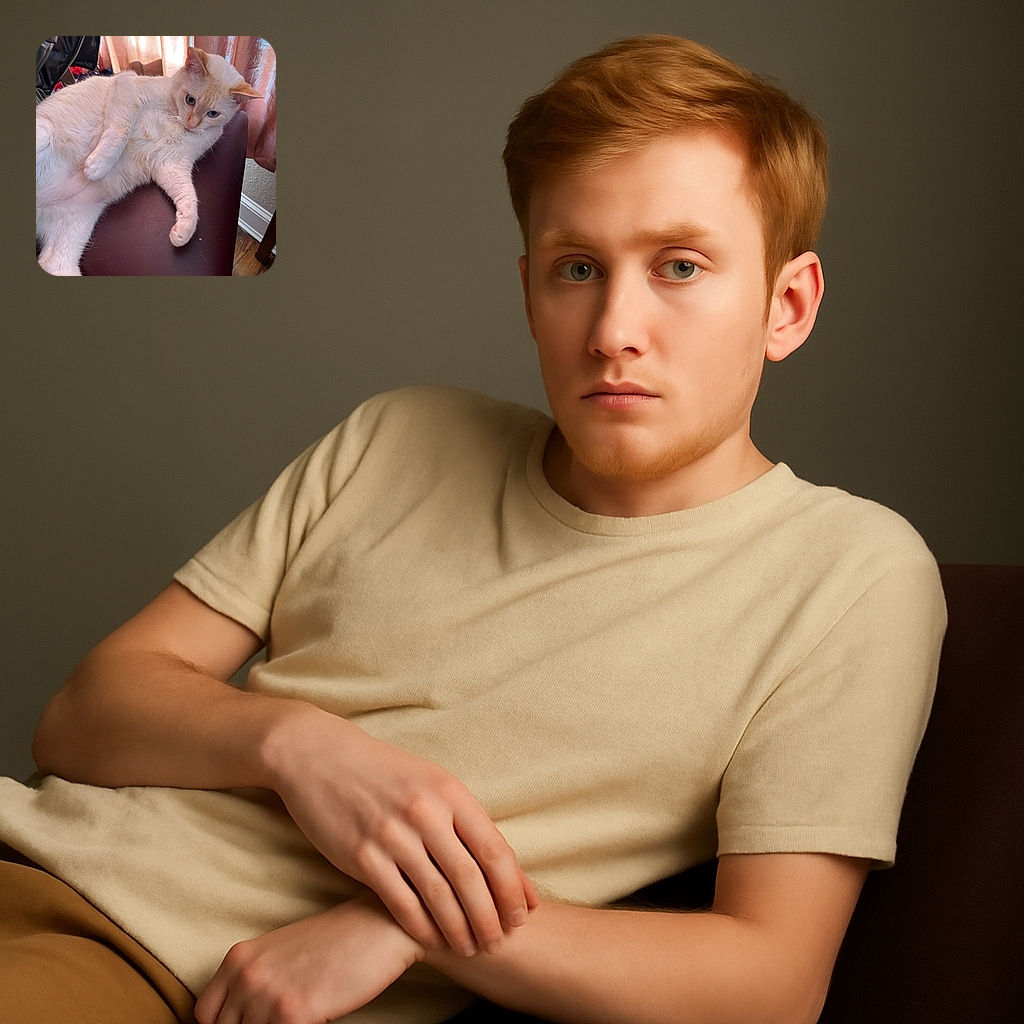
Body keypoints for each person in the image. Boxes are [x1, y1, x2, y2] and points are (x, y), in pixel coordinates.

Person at [0, 34, 945, 1024]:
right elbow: (80, 718)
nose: (614, 327)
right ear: (530, 291)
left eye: (678, 265)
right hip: (35, 854)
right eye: (576, 267)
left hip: (149, 967)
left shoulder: (851, 574)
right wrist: (300, 747)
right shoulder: (400, 433)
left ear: (785, 305)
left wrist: (415, 925)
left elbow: (770, 981)